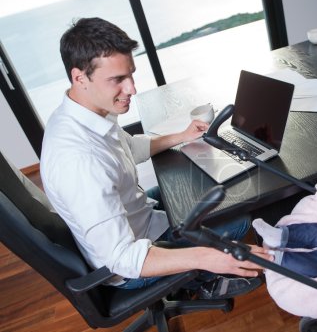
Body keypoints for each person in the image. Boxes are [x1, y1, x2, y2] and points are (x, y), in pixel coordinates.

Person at [40, 17, 272, 299]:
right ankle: (203, 282)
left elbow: (131, 148)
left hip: (138, 214)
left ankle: (196, 270)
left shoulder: (85, 112)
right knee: (239, 219)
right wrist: (207, 257)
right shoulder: (78, 159)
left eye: (131, 75)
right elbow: (122, 258)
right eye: (118, 80)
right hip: (132, 261)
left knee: (204, 181)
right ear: (80, 77)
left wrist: (183, 136)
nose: (132, 89)